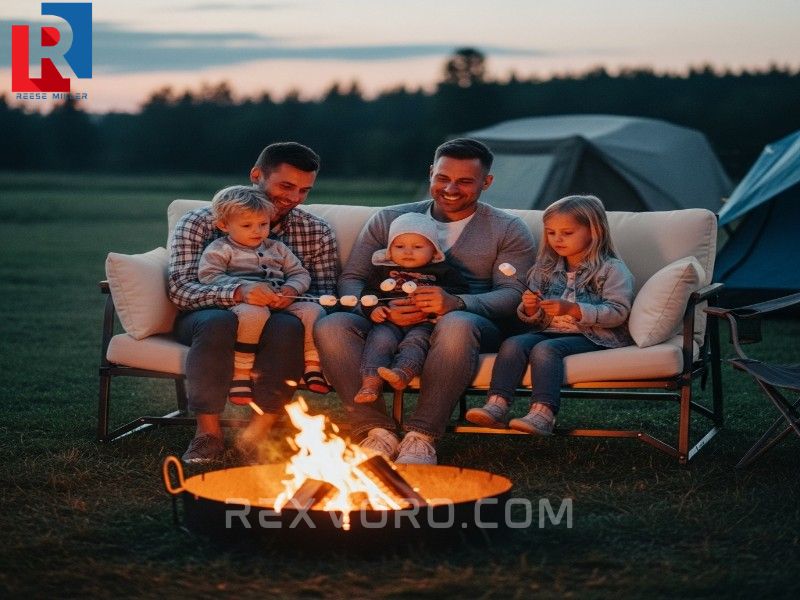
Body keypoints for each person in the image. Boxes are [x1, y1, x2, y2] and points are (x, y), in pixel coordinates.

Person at [315, 138, 536, 465]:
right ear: (431, 172)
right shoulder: (389, 219)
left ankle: (422, 436)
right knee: (332, 325)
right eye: (443, 178)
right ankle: (376, 431)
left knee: (456, 324)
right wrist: (375, 307)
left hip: (470, 322)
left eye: (464, 181)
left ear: (486, 182)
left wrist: (456, 303)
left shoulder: (507, 228)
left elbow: (513, 295)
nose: (451, 189)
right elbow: (353, 277)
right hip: (387, 315)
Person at [169, 142, 339, 464]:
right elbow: (180, 289)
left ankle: (256, 434)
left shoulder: (316, 231)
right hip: (208, 315)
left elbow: (324, 294)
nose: (293, 198)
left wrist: (291, 293)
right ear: (256, 175)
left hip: (279, 314)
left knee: (288, 326)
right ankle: (207, 434)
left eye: (304, 190)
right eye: (286, 186)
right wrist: (238, 293)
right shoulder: (199, 222)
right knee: (219, 322)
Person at [465, 195, 635, 434]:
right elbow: (534, 320)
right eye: (551, 232)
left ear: (593, 231)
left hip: (594, 335)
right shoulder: (544, 269)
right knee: (514, 343)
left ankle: (543, 414)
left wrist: (572, 309)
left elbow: (618, 313)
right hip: (550, 331)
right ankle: (496, 405)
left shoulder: (611, 269)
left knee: (545, 350)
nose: (557, 239)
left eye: (567, 232)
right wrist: (531, 308)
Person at [197, 185, 327, 405]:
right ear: (223, 225)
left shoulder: (277, 248)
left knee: (314, 310)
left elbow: (299, 273)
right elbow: (209, 276)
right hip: (246, 303)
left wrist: (291, 289)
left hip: (279, 299)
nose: (257, 231)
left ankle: (312, 365)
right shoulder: (220, 249)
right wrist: (244, 288)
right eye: (247, 225)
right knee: (254, 315)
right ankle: (241, 373)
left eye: (263, 224)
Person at [353, 212, 469, 404]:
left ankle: (402, 373)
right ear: (390, 250)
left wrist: (441, 304)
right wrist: (375, 309)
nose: (407, 252)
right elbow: (369, 294)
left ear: (433, 250)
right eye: (399, 246)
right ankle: (370, 382)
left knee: (416, 342)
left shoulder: (443, 271)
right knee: (380, 340)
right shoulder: (382, 271)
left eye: (417, 247)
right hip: (389, 321)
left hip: (424, 322)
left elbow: (459, 292)